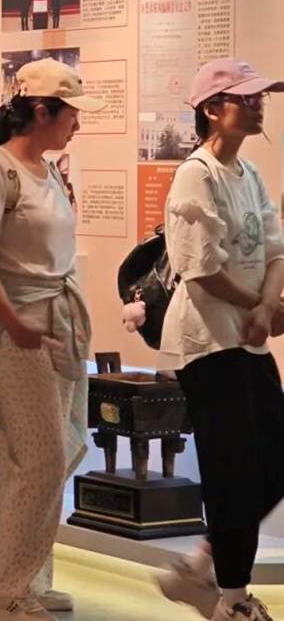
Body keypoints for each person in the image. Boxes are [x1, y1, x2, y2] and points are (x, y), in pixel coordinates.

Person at [0, 59, 104, 621]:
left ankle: (27, 576)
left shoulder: (47, 170)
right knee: (40, 458)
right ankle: (10, 588)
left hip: (57, 325)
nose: (76, 125)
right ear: (41, 111)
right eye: (70, 115)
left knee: (42, 457)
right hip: (21, 333)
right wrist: (15, 322)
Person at [155, 59, 284, 621]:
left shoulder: (247, 173)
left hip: (248, 339)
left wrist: (269, 304)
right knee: (233, 470)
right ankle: (233, 598)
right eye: (245, 98)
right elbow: (199, 269)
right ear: (212, 109)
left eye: (260, 97)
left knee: (274, 461)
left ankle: (204, 561)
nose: (258, 106)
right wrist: (259, 306)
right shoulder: (196, 174)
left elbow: (275, 248)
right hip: (209, 344)